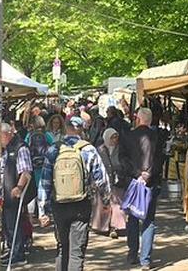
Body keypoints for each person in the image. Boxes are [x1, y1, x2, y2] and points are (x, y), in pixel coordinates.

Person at [39, 116, 112, 271]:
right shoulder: (88, 149)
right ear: (81, 129)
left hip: (59, 205)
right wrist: (106, 201)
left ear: (65, 128)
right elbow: (102, 179)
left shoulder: (54, 149)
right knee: (76, 251)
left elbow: (44, 182)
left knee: (61, 248)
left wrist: (42, 211)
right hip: (81, 204)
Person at [118, 108, 161, 270]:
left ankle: (132, 254)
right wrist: (148, 175)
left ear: (138, 119)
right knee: (149, 220)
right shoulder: (157, 136)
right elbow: (160, 158)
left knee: (133, 218)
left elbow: (122, 158)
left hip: (133, 182)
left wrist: (137, 174)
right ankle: (145, 260)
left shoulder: (128, 136)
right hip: (151, 183)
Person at [0, 122, 34, 266]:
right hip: (6, 192)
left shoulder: (20, 147)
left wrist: (18, 187)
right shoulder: (6, 148)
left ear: (6, 134)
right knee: (8, 224)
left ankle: (18, 254)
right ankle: (12, 249)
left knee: (14, 223)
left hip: (13, 192)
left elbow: (26, 171)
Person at [91, 127, 127, 238]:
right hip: (103, 182)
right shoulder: (100, 150)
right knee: (103, 205)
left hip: (117, 182)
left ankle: (114, 227)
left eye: (116, 137)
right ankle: (103, 226)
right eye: (112, 137)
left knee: (117, 206)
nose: (114, 140)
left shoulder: (120, 149)